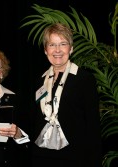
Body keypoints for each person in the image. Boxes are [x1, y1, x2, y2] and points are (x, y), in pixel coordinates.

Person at [29, 22, 102, 167]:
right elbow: (35, 121)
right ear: (45, 50)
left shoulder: (84, 79)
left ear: (71, 48)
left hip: (75, 157)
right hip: (42, 156)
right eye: (52, 45)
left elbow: (93, 125)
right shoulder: (40, 81)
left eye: (63, 44)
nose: (57, 50)